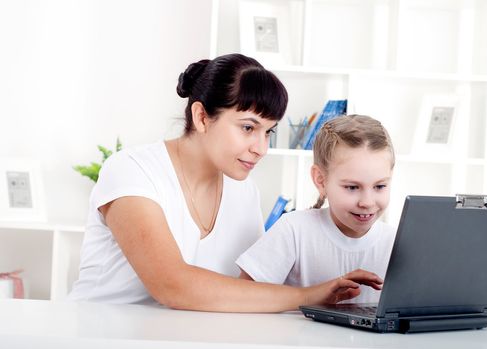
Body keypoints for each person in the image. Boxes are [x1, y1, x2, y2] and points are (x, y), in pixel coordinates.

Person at [68, 54, 381, 311]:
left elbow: (247, 289)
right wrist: (308, 295)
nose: (261, 147)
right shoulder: (132, 171)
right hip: (99, 336)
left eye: (268, 132)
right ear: (202, 117)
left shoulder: (243, 190)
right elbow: (172, 286)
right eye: (248, 127)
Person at [237, 115, 396, 303]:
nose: (367, 202)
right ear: (321, 180)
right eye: (352, 187)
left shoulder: (398, 242)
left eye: (379, 186)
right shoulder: (294, 230)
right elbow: (243, 295)